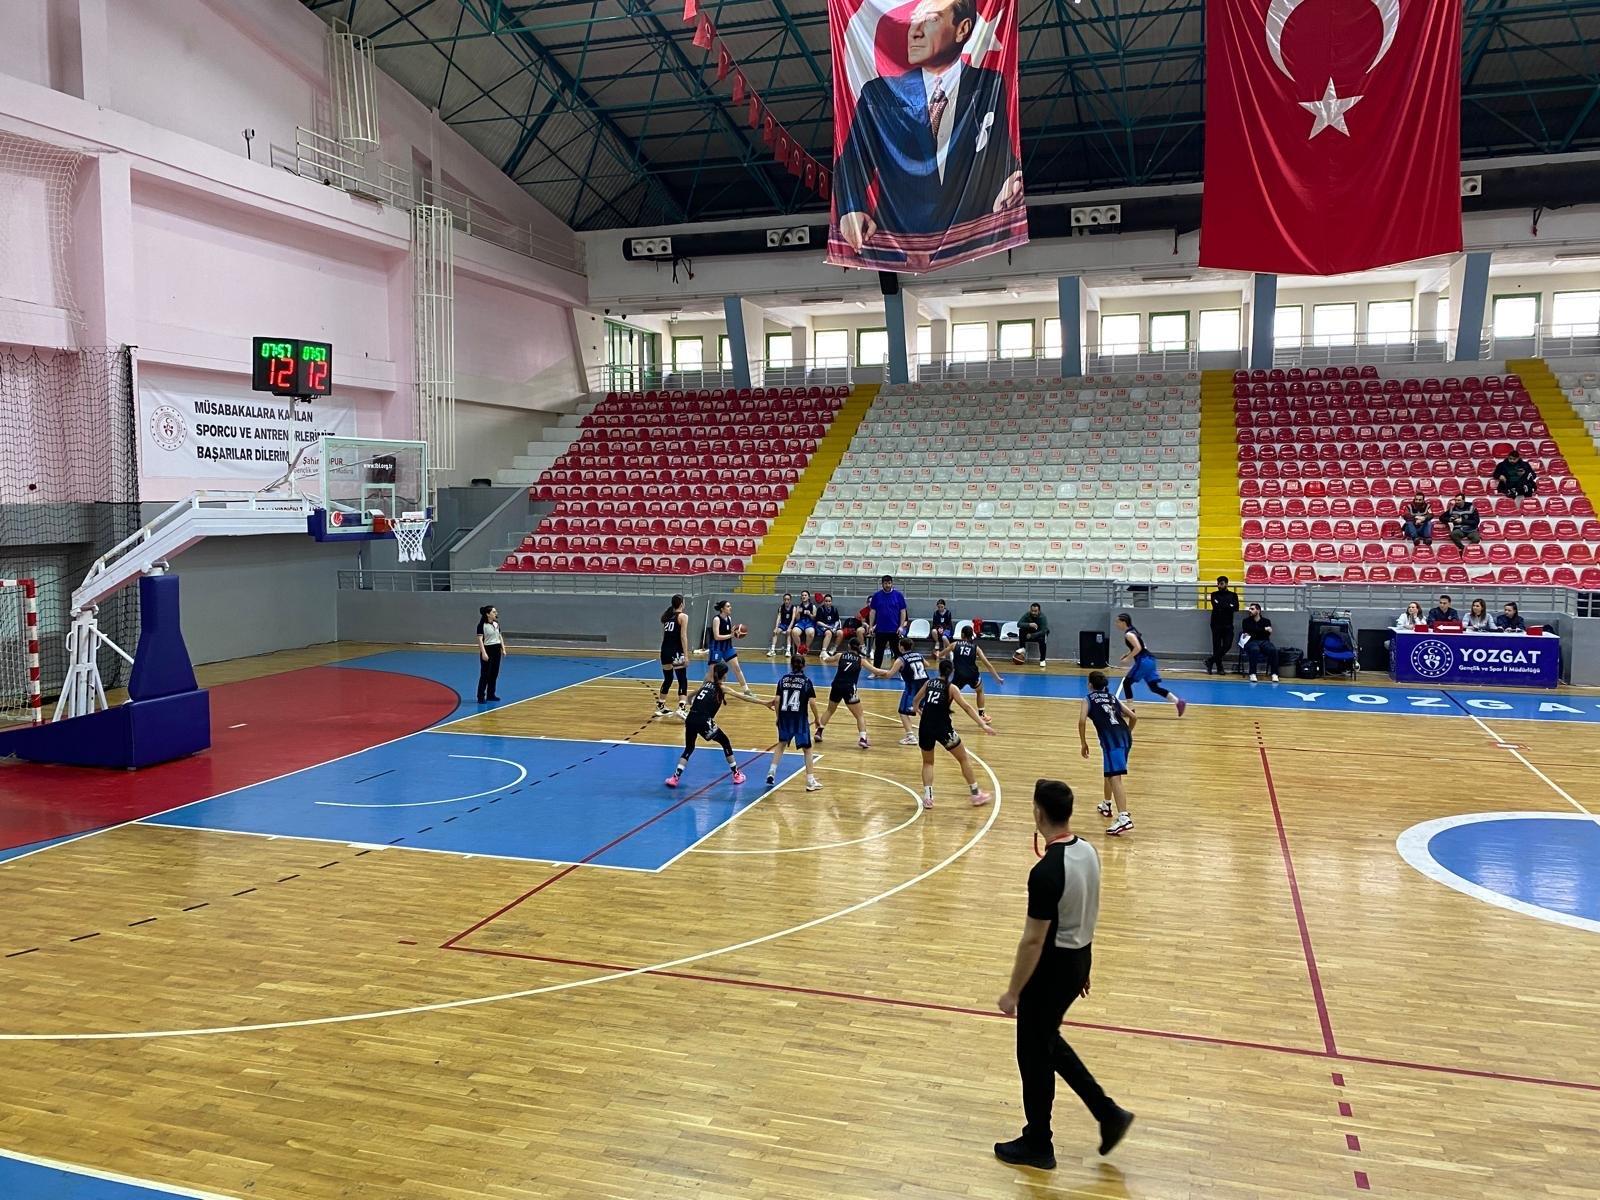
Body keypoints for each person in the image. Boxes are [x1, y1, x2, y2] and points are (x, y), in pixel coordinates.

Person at [994, 779, 1135, 1171]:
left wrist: (1013, 992)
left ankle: (1040, 1142)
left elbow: (1033, 941)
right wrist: (1083, 965)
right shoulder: (1088, 850)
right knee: (1046, 1043)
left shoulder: (1045, 872)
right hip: (1077, 960)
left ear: (1038, 813)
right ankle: (1107, 1114)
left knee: (1033, 1054)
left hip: (1051, 970)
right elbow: (1087, 906)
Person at [833, 0, 1024, 258]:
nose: (915, 31)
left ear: (962, 29)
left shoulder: (989, 85)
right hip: (900, 245)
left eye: (931, 19)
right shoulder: (879, 94)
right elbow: (852, 161)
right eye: (914, 21)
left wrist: (1011, 179)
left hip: (971, 240)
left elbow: (1000, 152)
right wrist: (851, 207)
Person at [665, 661, 771, 789]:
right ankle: (736, 774)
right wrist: (764, 703)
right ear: (724, 675)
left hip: (691, 718)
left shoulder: (706, 684)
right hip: (703, 721)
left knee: (689, 748)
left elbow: (691, 695)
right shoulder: (722, 688)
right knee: (725, 742)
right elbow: (745, 697)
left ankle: (675, 777)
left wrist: (689, 700)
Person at [911, 656, 995, 810]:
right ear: (951, 672)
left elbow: (915, 701)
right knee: (963, 759)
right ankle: (976, 794)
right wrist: (983, 725)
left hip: (925, 727)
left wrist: (920, 712)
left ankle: (928, 798)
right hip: (943, 729)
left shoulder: (929, 683)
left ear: (939, 670)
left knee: (928, 762)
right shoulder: (951, 688)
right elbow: (967, 708)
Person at [1080, 671, 1138, 837]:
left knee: (1115, 777)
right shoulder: (1112, 697)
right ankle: (1106, 804)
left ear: (1090, 684)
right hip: (1124, 738)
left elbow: (1082, 721)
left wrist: (1083, 743)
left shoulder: (1088, 699)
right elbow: (1133, 717)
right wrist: (1127, 733)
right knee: (1110, 772)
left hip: (1113, 742)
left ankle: (1124, 817)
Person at [765, 655, 823, 793]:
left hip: (785, 718)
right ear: (804, 666)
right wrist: (817, 719)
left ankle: (771, 772)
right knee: (807, 749)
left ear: (791, 665)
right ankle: (810, 781)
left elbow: (777, 701)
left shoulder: (783, 680)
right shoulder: (806, 681)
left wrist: (778, 717)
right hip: (799, 720)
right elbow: (812, 702)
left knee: (781, 744)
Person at [863, 633, 929, 746]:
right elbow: (926, 665)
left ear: (901, 647)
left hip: (912, 688)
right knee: (921, 708)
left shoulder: (901, 660)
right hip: (925, 685)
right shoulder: (919, 655)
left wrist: (877, 671)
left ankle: (910, 737)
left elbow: (889, 675)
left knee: (903, 712)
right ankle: (931, 729)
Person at [1115, 613, 1186, 716]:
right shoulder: (1133, 631)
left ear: (1124, 622)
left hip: (1143, 661)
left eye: (1118, 622)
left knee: (1126, 683)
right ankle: (1178, 702)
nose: (1116, 624)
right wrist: (1127, 654)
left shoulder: (1129, 634)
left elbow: (1138, 648)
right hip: (1150, 660)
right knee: (1154, 687)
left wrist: (1128, 658)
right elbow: (1141, 646)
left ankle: (1130, 710)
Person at [814, 632, 871, 750]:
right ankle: (863, 739)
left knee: (829, 710)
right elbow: (876, 671)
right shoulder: (861, 660)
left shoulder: (840, 655)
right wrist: (888, 673)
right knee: (859, 715)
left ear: (849, 646)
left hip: (837, 686)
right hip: (849, 688)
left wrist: (824, 655)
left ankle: (819, 732)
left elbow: (827, 660)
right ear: (859, 647)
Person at [941, 624, 1004, 720]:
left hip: (959, 675)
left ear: (962, 635)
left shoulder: (954, 645)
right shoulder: (976, 648)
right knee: (980, 690)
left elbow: (941, 654)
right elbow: (988, 664)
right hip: (972, 675)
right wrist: (997, 678)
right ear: (971, 635)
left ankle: (944, 713)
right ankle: (982, 714)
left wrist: (937, 654)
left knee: (950, 693)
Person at [708, 600, 756, 695]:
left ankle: (746, 690)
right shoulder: (716, 619)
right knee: (713, 672)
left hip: (728, 647)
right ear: (722, 609)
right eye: (728, 606)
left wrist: (736, 632)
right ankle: (704, 690)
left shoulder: (729, 618)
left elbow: (728, 633)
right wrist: (731, 635)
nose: (730, 608)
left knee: (737, 667)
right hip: (716, 648)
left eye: (730, 606)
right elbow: (717, 636)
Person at [655, 594, 690, 719]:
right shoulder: (683, 616)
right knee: (682, 679)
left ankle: (661, 706)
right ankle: (682, 707)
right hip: (676, 652)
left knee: (668, 679)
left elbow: (665, 636)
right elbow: (683, 636)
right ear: (681, 604)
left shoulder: (667, 617)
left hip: (665, 651)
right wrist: (686, 655)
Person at [866, 575, 909, 669]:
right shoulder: (876, 596)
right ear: (882, 584)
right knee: (878, 651)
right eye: (885, 583)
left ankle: (901, 671)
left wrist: (901, 626)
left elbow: (903, 611)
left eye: (889, 583)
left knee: (897, 652)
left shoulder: (898, 595)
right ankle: (875, 671)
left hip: (895, 629)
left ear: (892, 583)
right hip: (881, 629)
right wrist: (871, 626)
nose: (887, 585)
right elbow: (873, 612)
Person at [1206, 576, 1240, 675]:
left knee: (1227, 645)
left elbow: (1236, 608)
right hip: (1216, 624)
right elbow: (1216, 606)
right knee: (1216, 646)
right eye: (1218, 583)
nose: (1219, 585)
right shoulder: (1214, 594)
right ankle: (1219, 668)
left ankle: (1210, 660)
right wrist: (1229, 605)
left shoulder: (1233, 595)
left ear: (1226, 584)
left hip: (1228, 624)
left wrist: (1223, 605)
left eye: (1221, 583)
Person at [1240, 602, 1280, 683]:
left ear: (1258, 611)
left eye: (1252, 609)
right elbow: (1247, 631)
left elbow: (1266, 634)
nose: (1250, 611)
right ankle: (1252, 673)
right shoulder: (1246, 621)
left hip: (1264, 641)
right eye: (1249, 609)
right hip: (1250, 642)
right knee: (1255, 649)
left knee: (1273, 650)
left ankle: (1274, 674)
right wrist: (1264, 629)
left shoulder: (1266, 621)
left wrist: (1254, 632)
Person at [475, 605, 505, 703]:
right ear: (488, 614)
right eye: (494, 612)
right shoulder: (481, 626)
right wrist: (484, 653)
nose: (496, 613)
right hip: (488, 649)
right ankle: (480, 696)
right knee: (485, 674)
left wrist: (503, 648)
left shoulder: (496, 624)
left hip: (497, 650)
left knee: (494, 673)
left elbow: (499, 636)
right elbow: (480, 640)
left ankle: (491, 694)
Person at [1012, 602, 1049, 667]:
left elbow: (1043, 631)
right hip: (1029, 633)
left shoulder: (1042, 617)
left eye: (1035, 611)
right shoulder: (1027, 614)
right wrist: (1029, 624)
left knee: (1042, 639)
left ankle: (1042, 660)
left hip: (1038, 634)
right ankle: (1022, 648)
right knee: (1021, 630)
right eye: (1032, 611)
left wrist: (1032, 635)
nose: (1033, 612)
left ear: (1039, 611)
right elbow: (1019, 624)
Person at [815, 593, 844, 660]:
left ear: (831, 602)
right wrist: (827, 627)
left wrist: (835, 627)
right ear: (824, 601)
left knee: (840, 633)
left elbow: (837, 620)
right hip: (822, 626)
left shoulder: (834, 609)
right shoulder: (820, 609)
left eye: (829, 601)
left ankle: (833, 648)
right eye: (826, 601)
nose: (828, 603)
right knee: (829, 633)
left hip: (832, 626)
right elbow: (818, 622)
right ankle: (823, 651)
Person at [767, 593, 795, 657]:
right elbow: (778, 618)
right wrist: (776, 627)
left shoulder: (793, 608)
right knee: (775, 632)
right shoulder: (781, 608)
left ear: (790, 600)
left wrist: (789, 628)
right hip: (783, 624)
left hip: (790, 625)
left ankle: (788, 651)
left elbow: (793, 619)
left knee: (788, 632)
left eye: (788, 599)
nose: (786, 601)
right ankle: (772, 650)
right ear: (783, 600)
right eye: (785, 599)